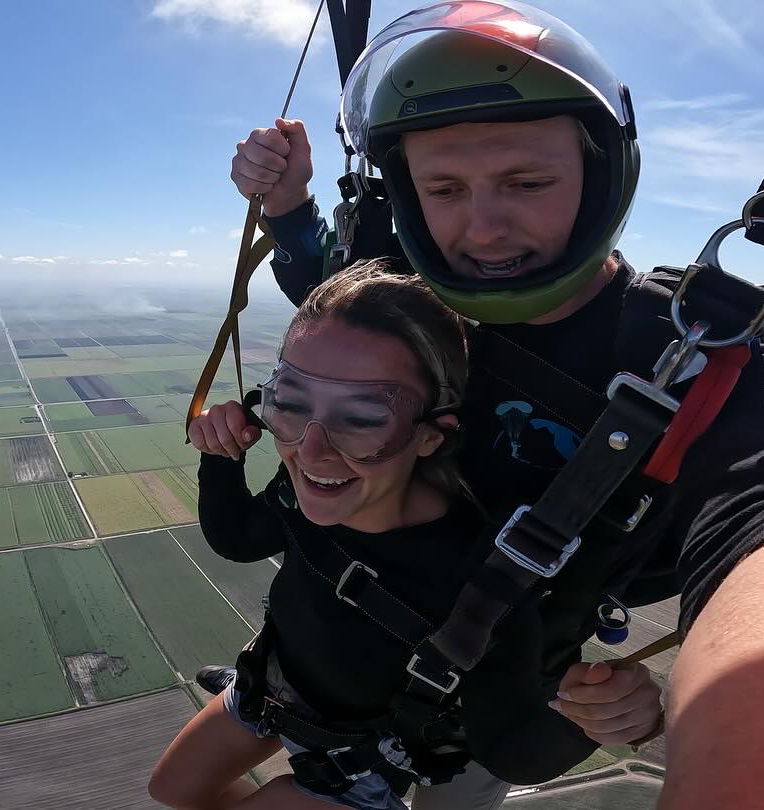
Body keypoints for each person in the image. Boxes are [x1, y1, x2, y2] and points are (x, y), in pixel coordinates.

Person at [224, 2, 764, 808]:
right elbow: (328, 295)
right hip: (331, 643)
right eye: (442, 187)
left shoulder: (699, 362)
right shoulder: (410, 286)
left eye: (528, 181)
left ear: (601, 174)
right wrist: (289, 205)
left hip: (476, 712)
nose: (484, 228)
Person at [149, 263, 648, 810]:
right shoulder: (310, 487)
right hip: (271, 686)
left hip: (361, 760)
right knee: (171, 791)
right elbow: (239, 538)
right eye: (290, 404)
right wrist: (221, 458)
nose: (311, 452)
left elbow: (513, 748)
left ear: (433, 435)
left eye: (362, 417)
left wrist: (613, 718)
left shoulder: (477, 578)